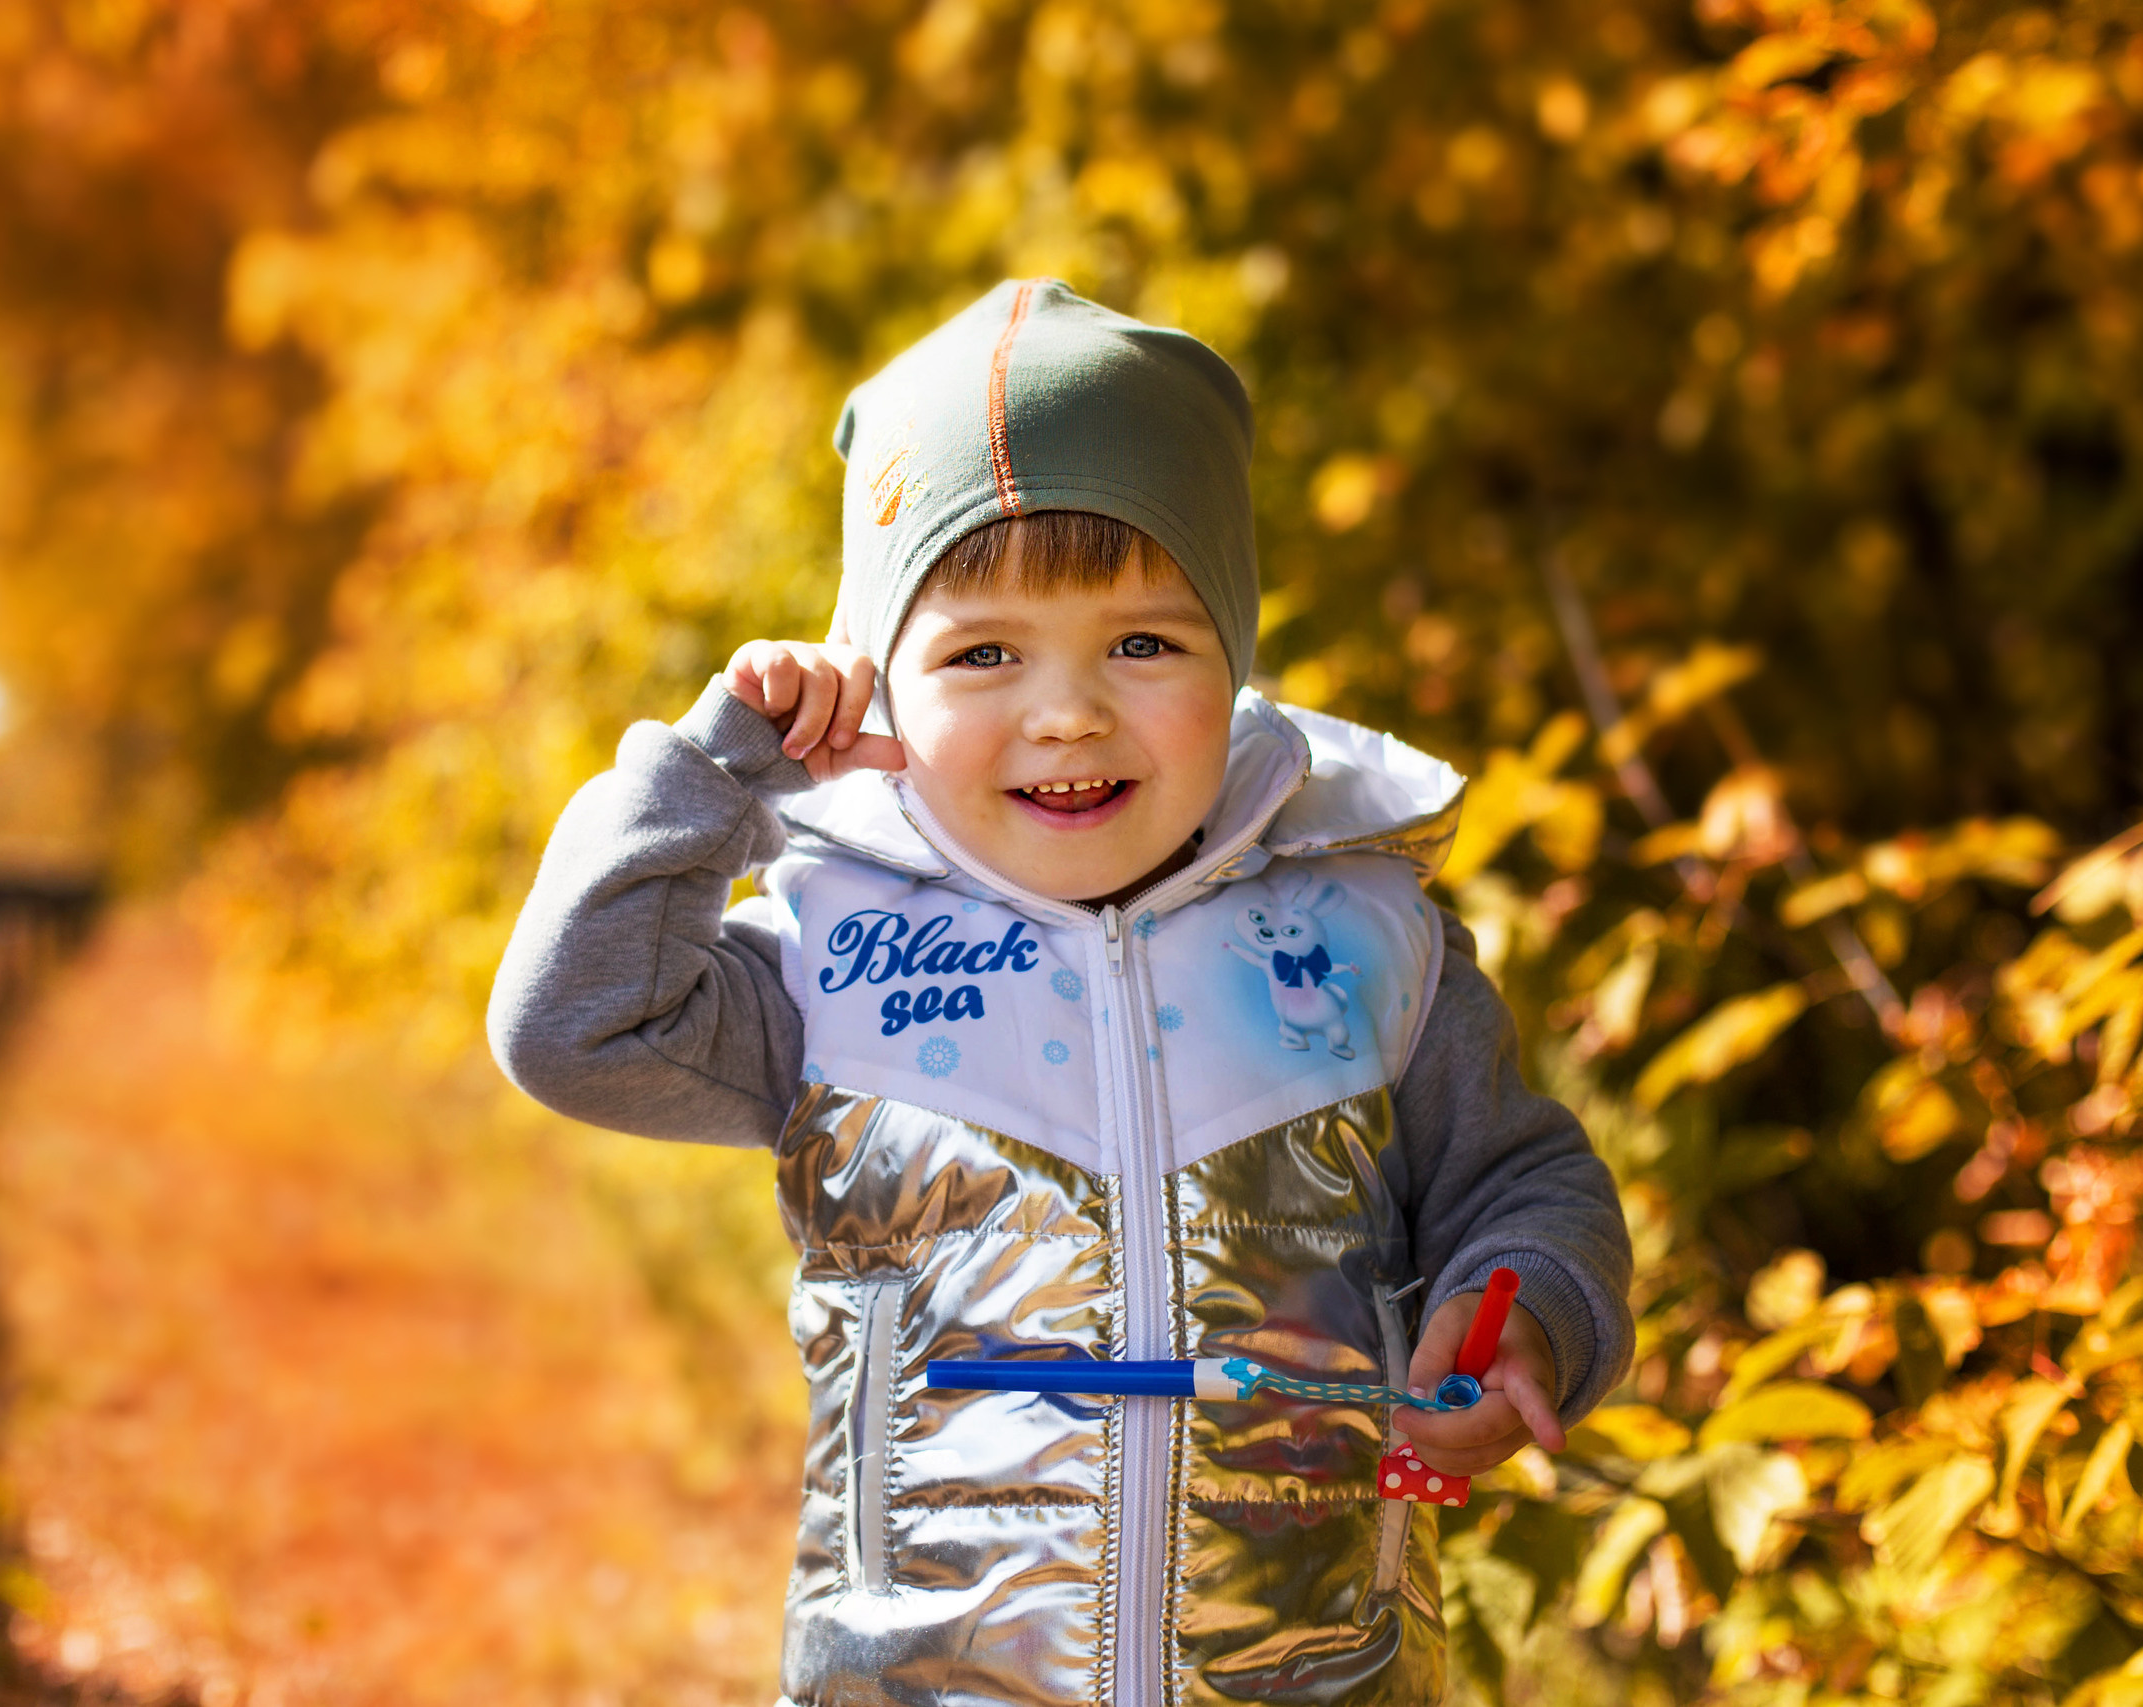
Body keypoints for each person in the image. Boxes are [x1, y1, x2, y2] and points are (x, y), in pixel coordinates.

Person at [489, 279, 1632, 1707]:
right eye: (983, 654)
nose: (1067, 711)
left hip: (1320, 1678)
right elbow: (571, 1026)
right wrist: (719, 776)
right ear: (877, 685)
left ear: (1237, 659)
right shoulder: (834, 957)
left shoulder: (1365, 940)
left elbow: (1528, 1183)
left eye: (1145, 643)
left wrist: (1527, 1317)